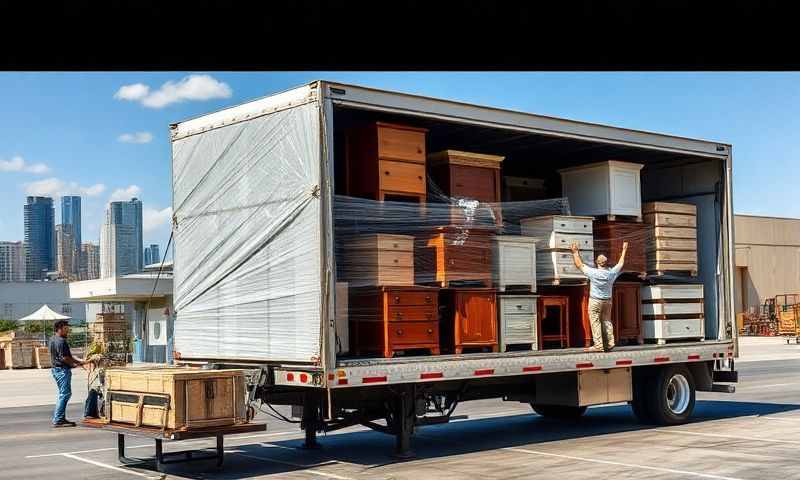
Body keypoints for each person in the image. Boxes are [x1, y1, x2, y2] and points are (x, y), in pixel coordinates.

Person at [570, 241, 628, 353]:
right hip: (607, 301)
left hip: (595, 301)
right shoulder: (611, 273)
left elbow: (579, 265)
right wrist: (624, 250)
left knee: (595, 321)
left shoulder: (593, 272)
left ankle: (599, 345)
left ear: (597, 262)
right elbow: (621, 263)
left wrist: (575, 252)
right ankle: (610, 343)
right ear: (606, 263)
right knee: (607, 321)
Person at [49, 319, 87, 427]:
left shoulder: (52, 339)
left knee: (64, 393)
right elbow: (65, 358)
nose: (68, 331)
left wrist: (78, 362)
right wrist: (77, 364)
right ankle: (58, 419)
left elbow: (66, 357)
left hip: (56, 369)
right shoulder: (61, 341)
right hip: (62, 370)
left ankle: (60, 418)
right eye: (66, 329)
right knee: (64, 394)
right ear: (59, 329)